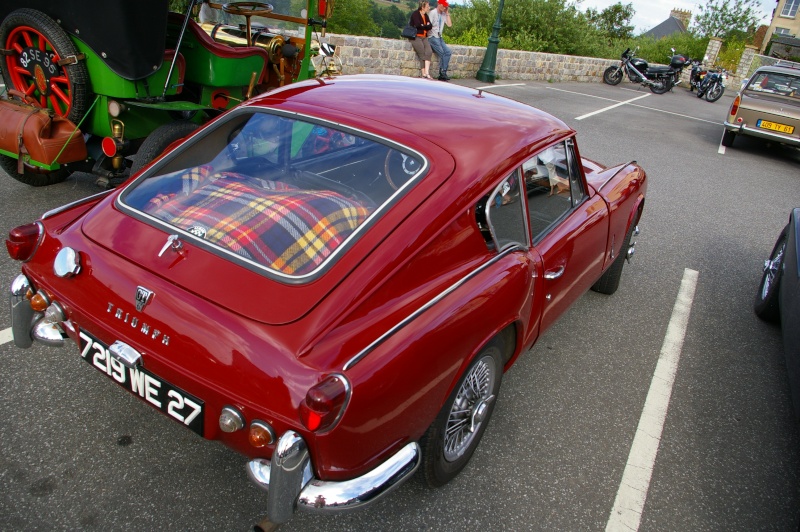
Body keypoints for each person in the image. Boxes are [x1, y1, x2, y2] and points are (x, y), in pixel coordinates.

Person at [428, 0, 452, 81]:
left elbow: (449, 25)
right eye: (444, 6)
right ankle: (442, 73)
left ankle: (443, 72)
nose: (445, 7)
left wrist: (447, 13)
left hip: (439, 37)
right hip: (432, 36)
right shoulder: (433, 13)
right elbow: (428, 26)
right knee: (442, 53)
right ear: (439, 4)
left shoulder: (443, 14)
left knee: (448, 52)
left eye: (446, 6)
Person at [409, 1, 433, 79]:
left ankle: (426, 72)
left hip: (424, 36)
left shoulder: (426, 15)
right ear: (422, 7)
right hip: (416, 36)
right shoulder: (415, 14)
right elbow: (418, 25)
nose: (429, 8)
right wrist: (425, 26)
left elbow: (430, 26)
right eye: (427, 7)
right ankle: (424, 73)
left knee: (428, 51)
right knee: (422, 53)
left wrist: (424, 26)